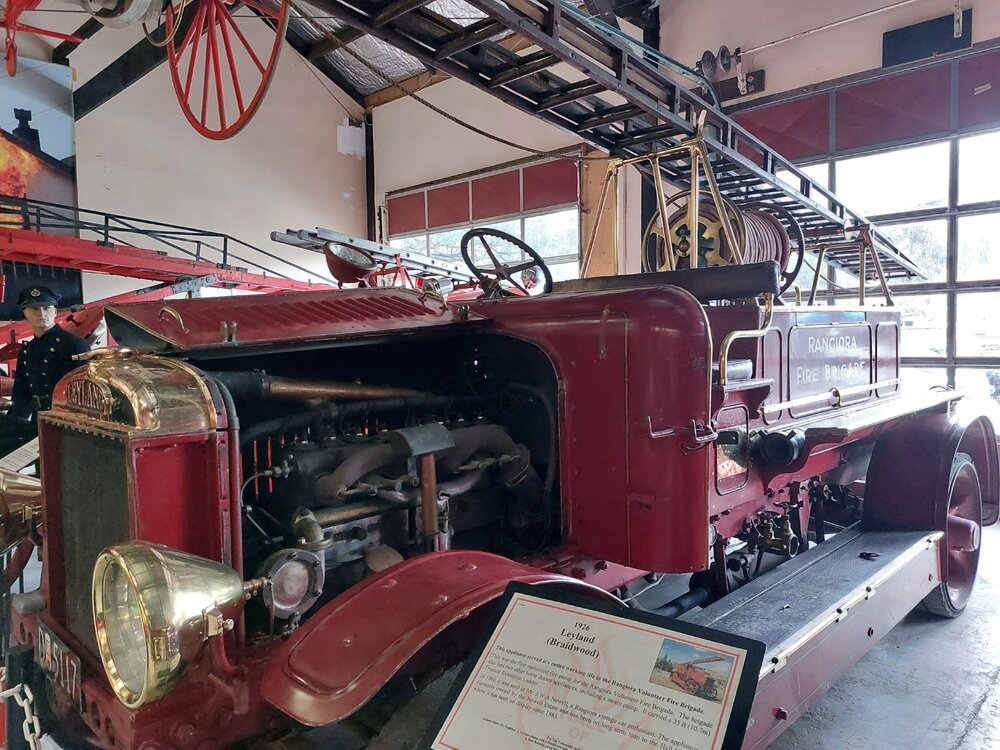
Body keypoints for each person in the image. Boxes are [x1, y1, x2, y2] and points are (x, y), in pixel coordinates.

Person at [0, 286, 90, 456]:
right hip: (39, 420)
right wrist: (13, 423)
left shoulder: (73, 344)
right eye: (34, 309)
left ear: (55, 312)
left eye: (47, 308)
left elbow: (80, 392)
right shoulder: (28, 350)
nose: (41, 314)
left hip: (67, 424)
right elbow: (22, 393)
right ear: (25, 313)